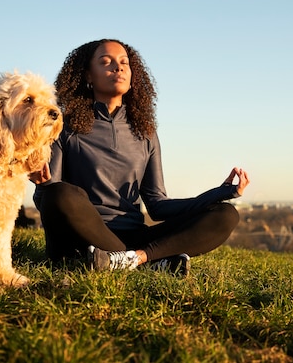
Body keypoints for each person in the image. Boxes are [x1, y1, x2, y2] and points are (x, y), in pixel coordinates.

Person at [30, 39, 249, 276]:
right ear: (88, 76)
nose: (119, 67)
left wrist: (222, 193)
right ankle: (147, 261)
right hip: (80, 239)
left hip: (133, 237)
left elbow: (157, 205)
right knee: (61, 193)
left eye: (124, 62)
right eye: (106, 62)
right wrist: (42, 187)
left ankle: (136, 259)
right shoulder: (64, 126)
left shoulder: (145, 132)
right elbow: (52, 202)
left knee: (225, 215)